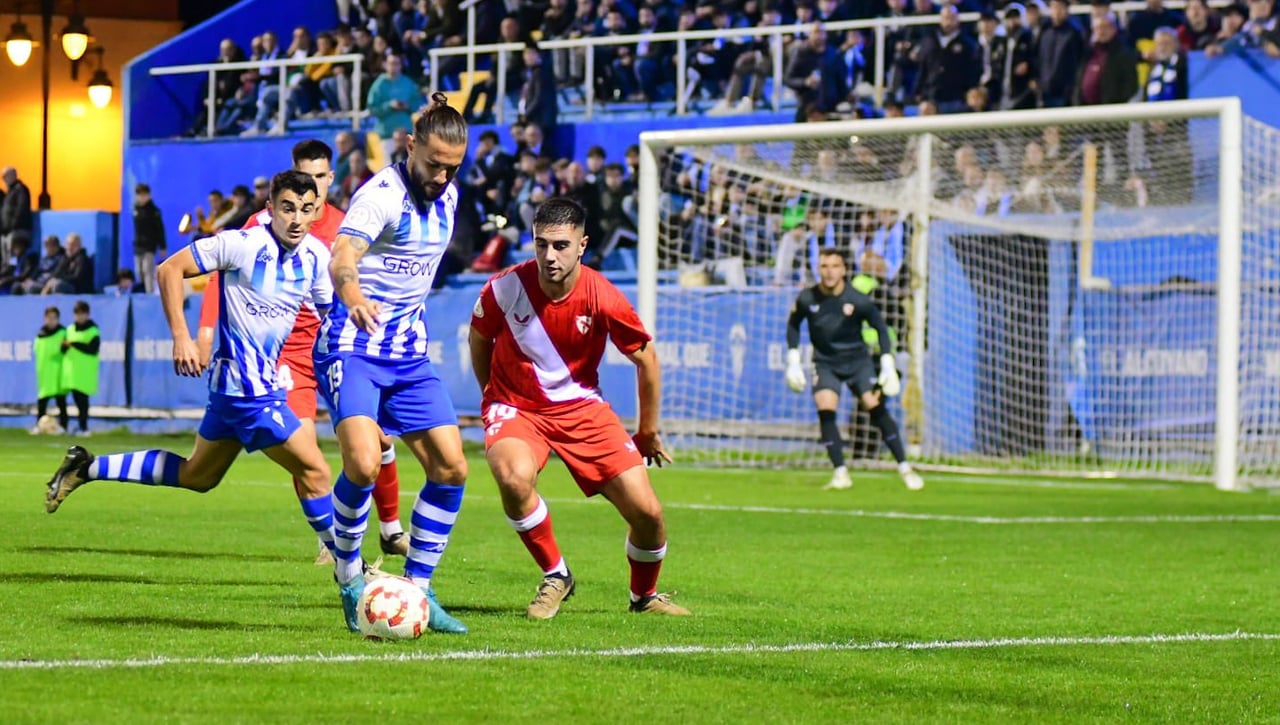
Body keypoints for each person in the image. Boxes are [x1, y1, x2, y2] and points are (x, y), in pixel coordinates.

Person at [43, 171, 336, 581]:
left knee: (198, 475)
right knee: (316, 472)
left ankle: (85, 467)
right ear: (270, 208)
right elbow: (168, 269)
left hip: (239, 390)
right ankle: (351, 574)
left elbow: (330, 318)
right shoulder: (242, 243)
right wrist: (182, 337)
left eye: (306, 209)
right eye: (288, 208)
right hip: (247, 391)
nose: (297, 219)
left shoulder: (317, 256)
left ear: (316, 210)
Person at [468, 197, 689, 620]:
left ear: (582, 245)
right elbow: (478, 339)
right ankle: (556, 575)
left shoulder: (603, 296)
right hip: (517, 407)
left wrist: (647, 432)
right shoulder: (505, 288)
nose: (550, 256)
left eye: (561, 246)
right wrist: (491, 397)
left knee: (648, 514)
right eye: (541, 244)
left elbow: (647, 360)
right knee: (513, 478)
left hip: (582, 409)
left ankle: (644, 597)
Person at [196, 139, 409, 564]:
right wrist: (204, 330)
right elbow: (222, 270)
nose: (313, 185)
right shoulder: (266, 222)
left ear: (330, 178)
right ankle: (330, 543)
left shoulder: (349, 226)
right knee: (304, 447)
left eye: (320, 177)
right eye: (305, 176)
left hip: (335, 347)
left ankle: (390, 530)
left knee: (378, 439)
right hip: (289, 354)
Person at [314, 93, 470, 635]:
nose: (442, 178)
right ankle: (349, 578)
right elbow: (342, 254)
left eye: (453, 168)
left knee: (451, 468)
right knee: (363, 464)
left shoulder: (448, 195)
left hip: (407, 353)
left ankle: (419, 591)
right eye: (434, 165)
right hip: (352, 345)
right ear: (410, 147)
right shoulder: (380, 197)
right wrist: (353, 295)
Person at [784, 247, 924, 492]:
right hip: (826, 362)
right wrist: (793, 358)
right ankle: (840, 472)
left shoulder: (857, 299)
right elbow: (793, 325)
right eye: (824, 266)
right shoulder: (808, 298)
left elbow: (881, 328)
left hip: (858, 361)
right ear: (818, 269)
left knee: (873, 405)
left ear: (844, 270)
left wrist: (887, 362)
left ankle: (904, 467)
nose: (829, 272)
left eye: (835, 266)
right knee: (825, 406)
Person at [61, 300, 100, 436]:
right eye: (77, 314)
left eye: (82, 314)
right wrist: (64, 346)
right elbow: (63, 349)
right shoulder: (69, 329)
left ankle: (84, 427)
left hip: (85, 371)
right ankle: (67, 426)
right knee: (71, 399)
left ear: (87, 314)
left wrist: (74, 344)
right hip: (71, 371)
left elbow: (92, 349)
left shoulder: (93, 330)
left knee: (82, 400)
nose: (80, 317)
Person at [34, 306, 69, 435]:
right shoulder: (40, 335)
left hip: (59, 372)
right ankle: (39, 425)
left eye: (54, 318)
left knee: (61, 401)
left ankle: (64, 426)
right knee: (42, 401)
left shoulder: (63, 333)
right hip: (45, 373)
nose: (51, 320)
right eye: (49, 318)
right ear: (45, 319)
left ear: (58, 319)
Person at [132, 184, 166, 293]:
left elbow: (160, 229)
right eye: (140, 195)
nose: (142, 198)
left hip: (150, 245)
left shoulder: (154, 211)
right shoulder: (135, 208)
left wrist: (162, 246)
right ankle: (142, 291)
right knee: (138, 271)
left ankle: (149, 293)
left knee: (148, 269)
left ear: (149, 195)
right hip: (138, 245)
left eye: (144, 195)